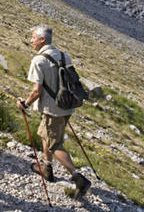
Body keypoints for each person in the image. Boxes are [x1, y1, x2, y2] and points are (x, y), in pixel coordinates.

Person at [18, 24, 91, 198]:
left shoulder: (38, 60)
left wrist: (25, 104)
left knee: (54, 143)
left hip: (52, 110)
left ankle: (78, 178)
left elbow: (37, 91)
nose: (31, 41)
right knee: (46, 134)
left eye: (33, 37)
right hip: (67, 106)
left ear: (42, 40)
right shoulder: (64, 56)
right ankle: (46, 167)